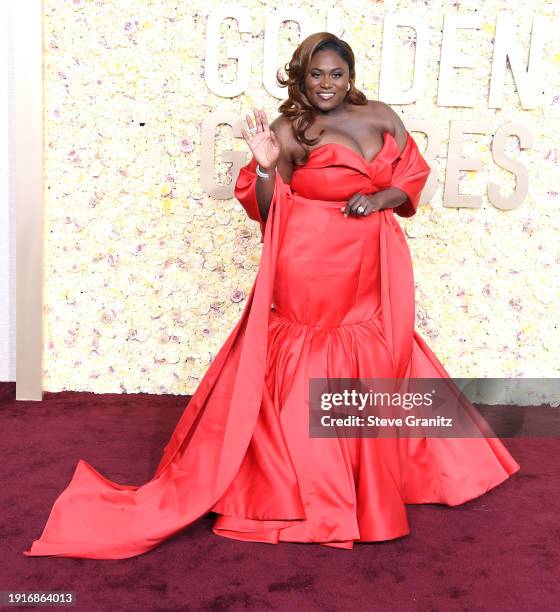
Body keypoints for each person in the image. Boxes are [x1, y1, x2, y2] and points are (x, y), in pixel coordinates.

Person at [23, 32, 519, 558]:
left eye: (336, 74)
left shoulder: (381, 116)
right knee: (314, 356)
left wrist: (379, 197)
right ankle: (316, 492)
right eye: (316, 75)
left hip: (373, 259)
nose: (326, 84)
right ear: (301, 78)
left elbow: (412, 177)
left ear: (351, 77)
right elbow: (267, 207)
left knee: (379, 352)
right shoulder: (289, 128)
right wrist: (263, 166)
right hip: (307, 259)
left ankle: (372, 481)